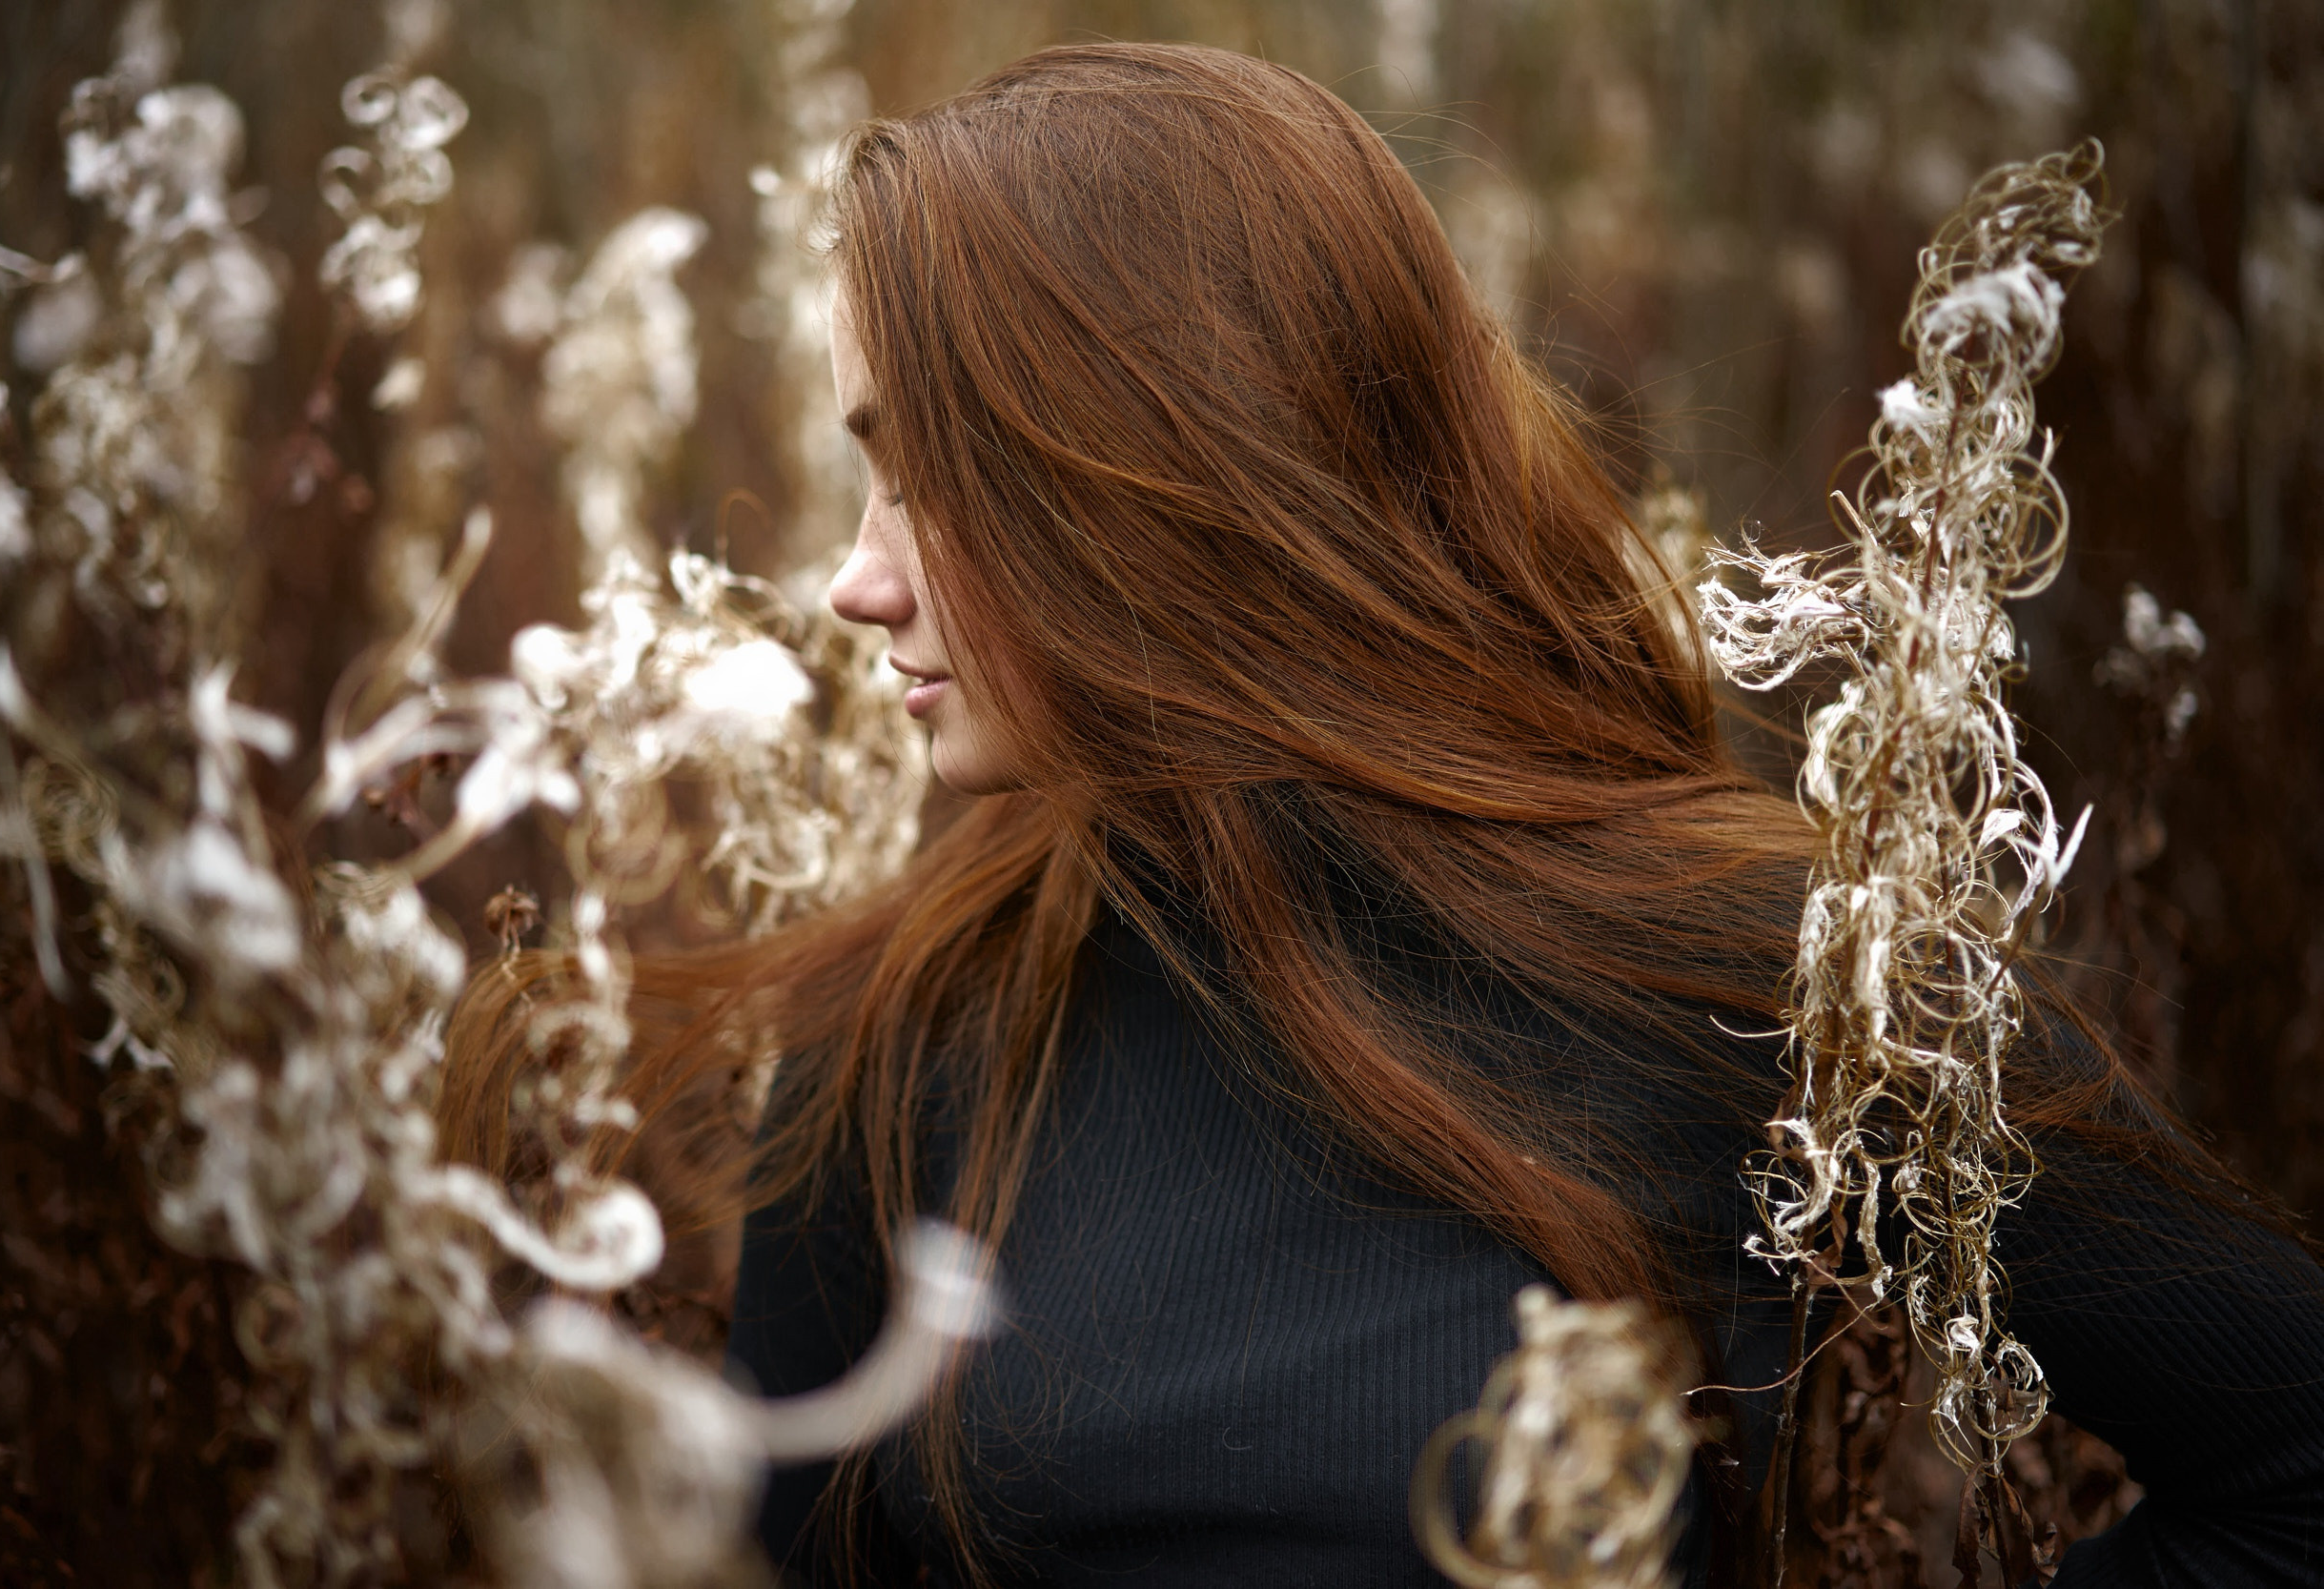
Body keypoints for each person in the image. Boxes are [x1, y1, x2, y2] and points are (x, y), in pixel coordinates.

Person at [447, 41, 2324, 1589]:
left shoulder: (1749, 964)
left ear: (1155, 474)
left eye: (922, 476)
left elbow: (2292, 1475)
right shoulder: (902, 1029)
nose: (854, 583)